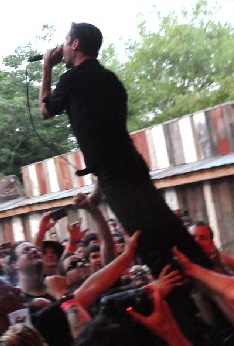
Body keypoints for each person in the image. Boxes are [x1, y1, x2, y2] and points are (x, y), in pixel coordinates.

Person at [39, 22, 214, 341]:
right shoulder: (110, 80)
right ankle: (225, 300)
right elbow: (105, 136)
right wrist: (96, 190)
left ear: (75, 45)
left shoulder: (72, 79)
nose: (61, 49)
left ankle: (192, 332)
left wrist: (47, 68)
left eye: (65, 43)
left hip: (117, 178)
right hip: (131, 167)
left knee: (153, 252)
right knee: (177, 237)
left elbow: (45, 110)